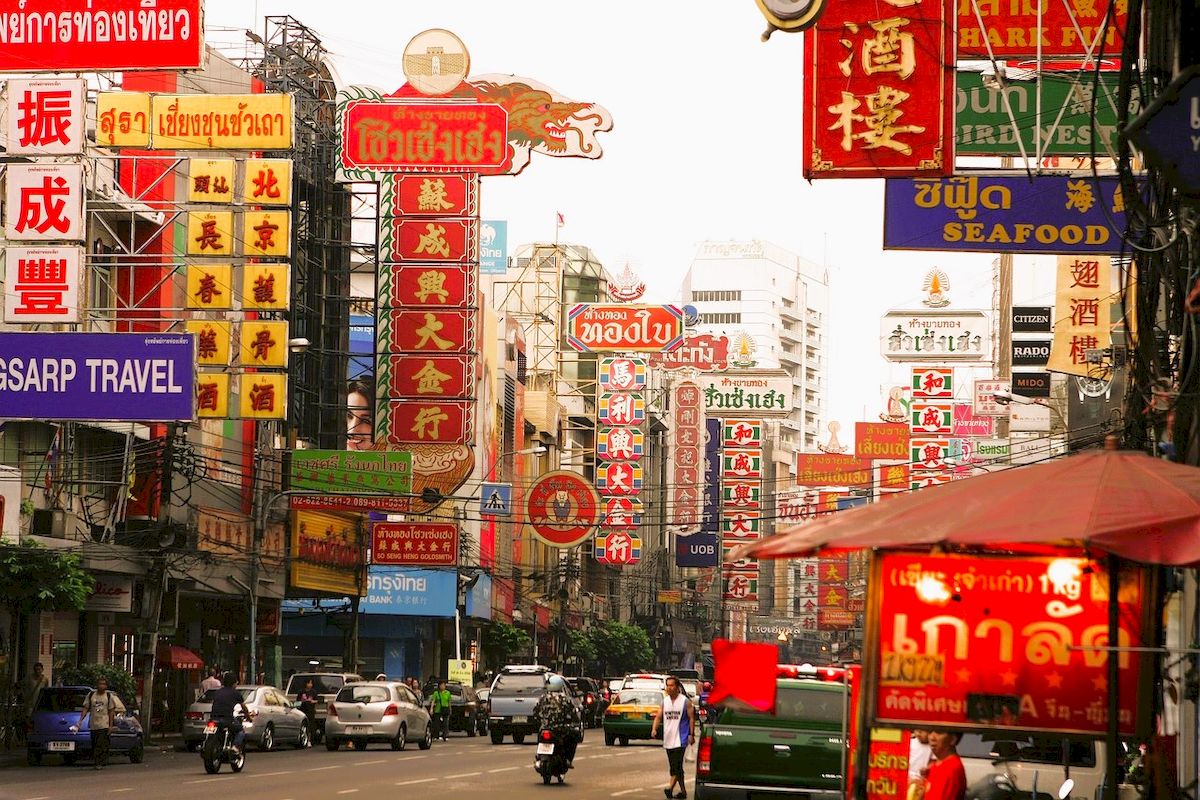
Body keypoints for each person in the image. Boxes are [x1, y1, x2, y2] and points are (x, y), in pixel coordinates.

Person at [651, 676, 698, 799]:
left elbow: (691, 718)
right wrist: (654, 729)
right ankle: (683, 792)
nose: (669, 688)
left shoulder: (685, 702)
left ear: (677, 687)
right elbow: (658, 717)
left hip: (681, 739)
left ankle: (670, 788)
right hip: (668, 738)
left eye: (672, 685)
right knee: (675, 767)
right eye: (668, 685)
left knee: (676, 765)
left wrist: (691, 734)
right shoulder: (664, 702)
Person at [70, 676, 125, 770]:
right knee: (95, 743)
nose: (101, 686)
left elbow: (111, 711)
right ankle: (98, 760)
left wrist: (111, 725)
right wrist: (80, 721)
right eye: (100, 684)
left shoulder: (108, 696)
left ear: (106, 686)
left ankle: (99, 762)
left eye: (103, 684)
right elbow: (86, 708)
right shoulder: (91, 695)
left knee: (101, 744)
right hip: (93, 724)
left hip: (104, 724)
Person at [532, 683, 581, 767]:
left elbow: (535, 712)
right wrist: (575, 722)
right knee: (575, 735)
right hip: (559, 729)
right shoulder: (564, 698)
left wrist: (540, 721)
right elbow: (573, 712)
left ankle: (539, 757)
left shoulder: (542, 698)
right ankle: (568, 759)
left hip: (544, 728)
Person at [210, 672, 254, 754]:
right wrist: (249, 718)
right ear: (234, 683)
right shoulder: (236, 693)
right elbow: (244, 707)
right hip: (227, 719)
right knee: (240, 731)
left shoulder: (217, 692)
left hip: (213, 718)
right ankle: (235, 746)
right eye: (236, 682)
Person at [923, 730, 967, 800]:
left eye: (939, 732)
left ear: (953, 739)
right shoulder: (938, 764)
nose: (932, 737)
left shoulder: (950, 768)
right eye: (930, 731)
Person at [908, 729, 932, 800]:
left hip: (921, 780)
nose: (919, 733)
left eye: (922, 730)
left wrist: (928, 768)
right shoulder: (910, 742)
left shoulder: (932, 746)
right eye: (917, 730)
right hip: (908, 777)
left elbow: (933, 762)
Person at [295, 679, 318, 747]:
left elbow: (317, 700)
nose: (310, 685)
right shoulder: (301, 692)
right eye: (308, 683)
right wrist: (302, 702)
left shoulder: (313, 692)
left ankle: (309, 740)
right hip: (303, 711)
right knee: (303, 726)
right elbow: (297, 702)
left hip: (310, 711)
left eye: (311, 683)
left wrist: (312, 701)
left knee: (311, 726)